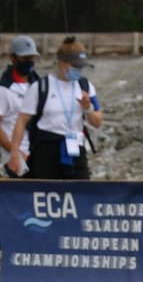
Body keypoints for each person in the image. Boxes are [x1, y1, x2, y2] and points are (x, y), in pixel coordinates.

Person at [18, 36, 103, 180]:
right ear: (62, 63)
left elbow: (97, 122)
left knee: (80, 192)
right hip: (47, 148)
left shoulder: (85, 86)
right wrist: (17, 152)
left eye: (81, 66)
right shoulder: (40, 87)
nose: (79, 70)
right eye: (75, 66)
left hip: (75, 147)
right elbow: (21, 121)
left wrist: (87, 108)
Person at [0, 34, 39, 178]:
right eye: (24, 58)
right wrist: (15, 151)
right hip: (17, 156)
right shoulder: (2, 90)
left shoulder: (39, 85)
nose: (28, 61)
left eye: (31, 57)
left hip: (39, 152)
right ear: (13, 58)